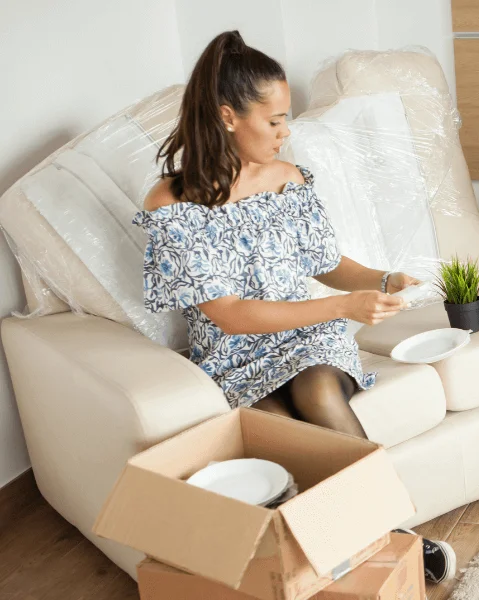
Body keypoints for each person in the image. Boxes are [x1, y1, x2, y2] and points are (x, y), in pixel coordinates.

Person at [136, 30, 455, 583]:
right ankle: (346, 559)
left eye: (287, 119)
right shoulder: (172, 202)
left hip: (310, 340)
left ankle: (394, 535)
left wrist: (380, 278)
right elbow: (231, 315)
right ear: (228, 115)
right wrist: (341, 308)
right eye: (275, 120)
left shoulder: (291, 180)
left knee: (315, 387)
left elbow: (326, 263)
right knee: (278, 435)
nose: (286, 132)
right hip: (233, 355)